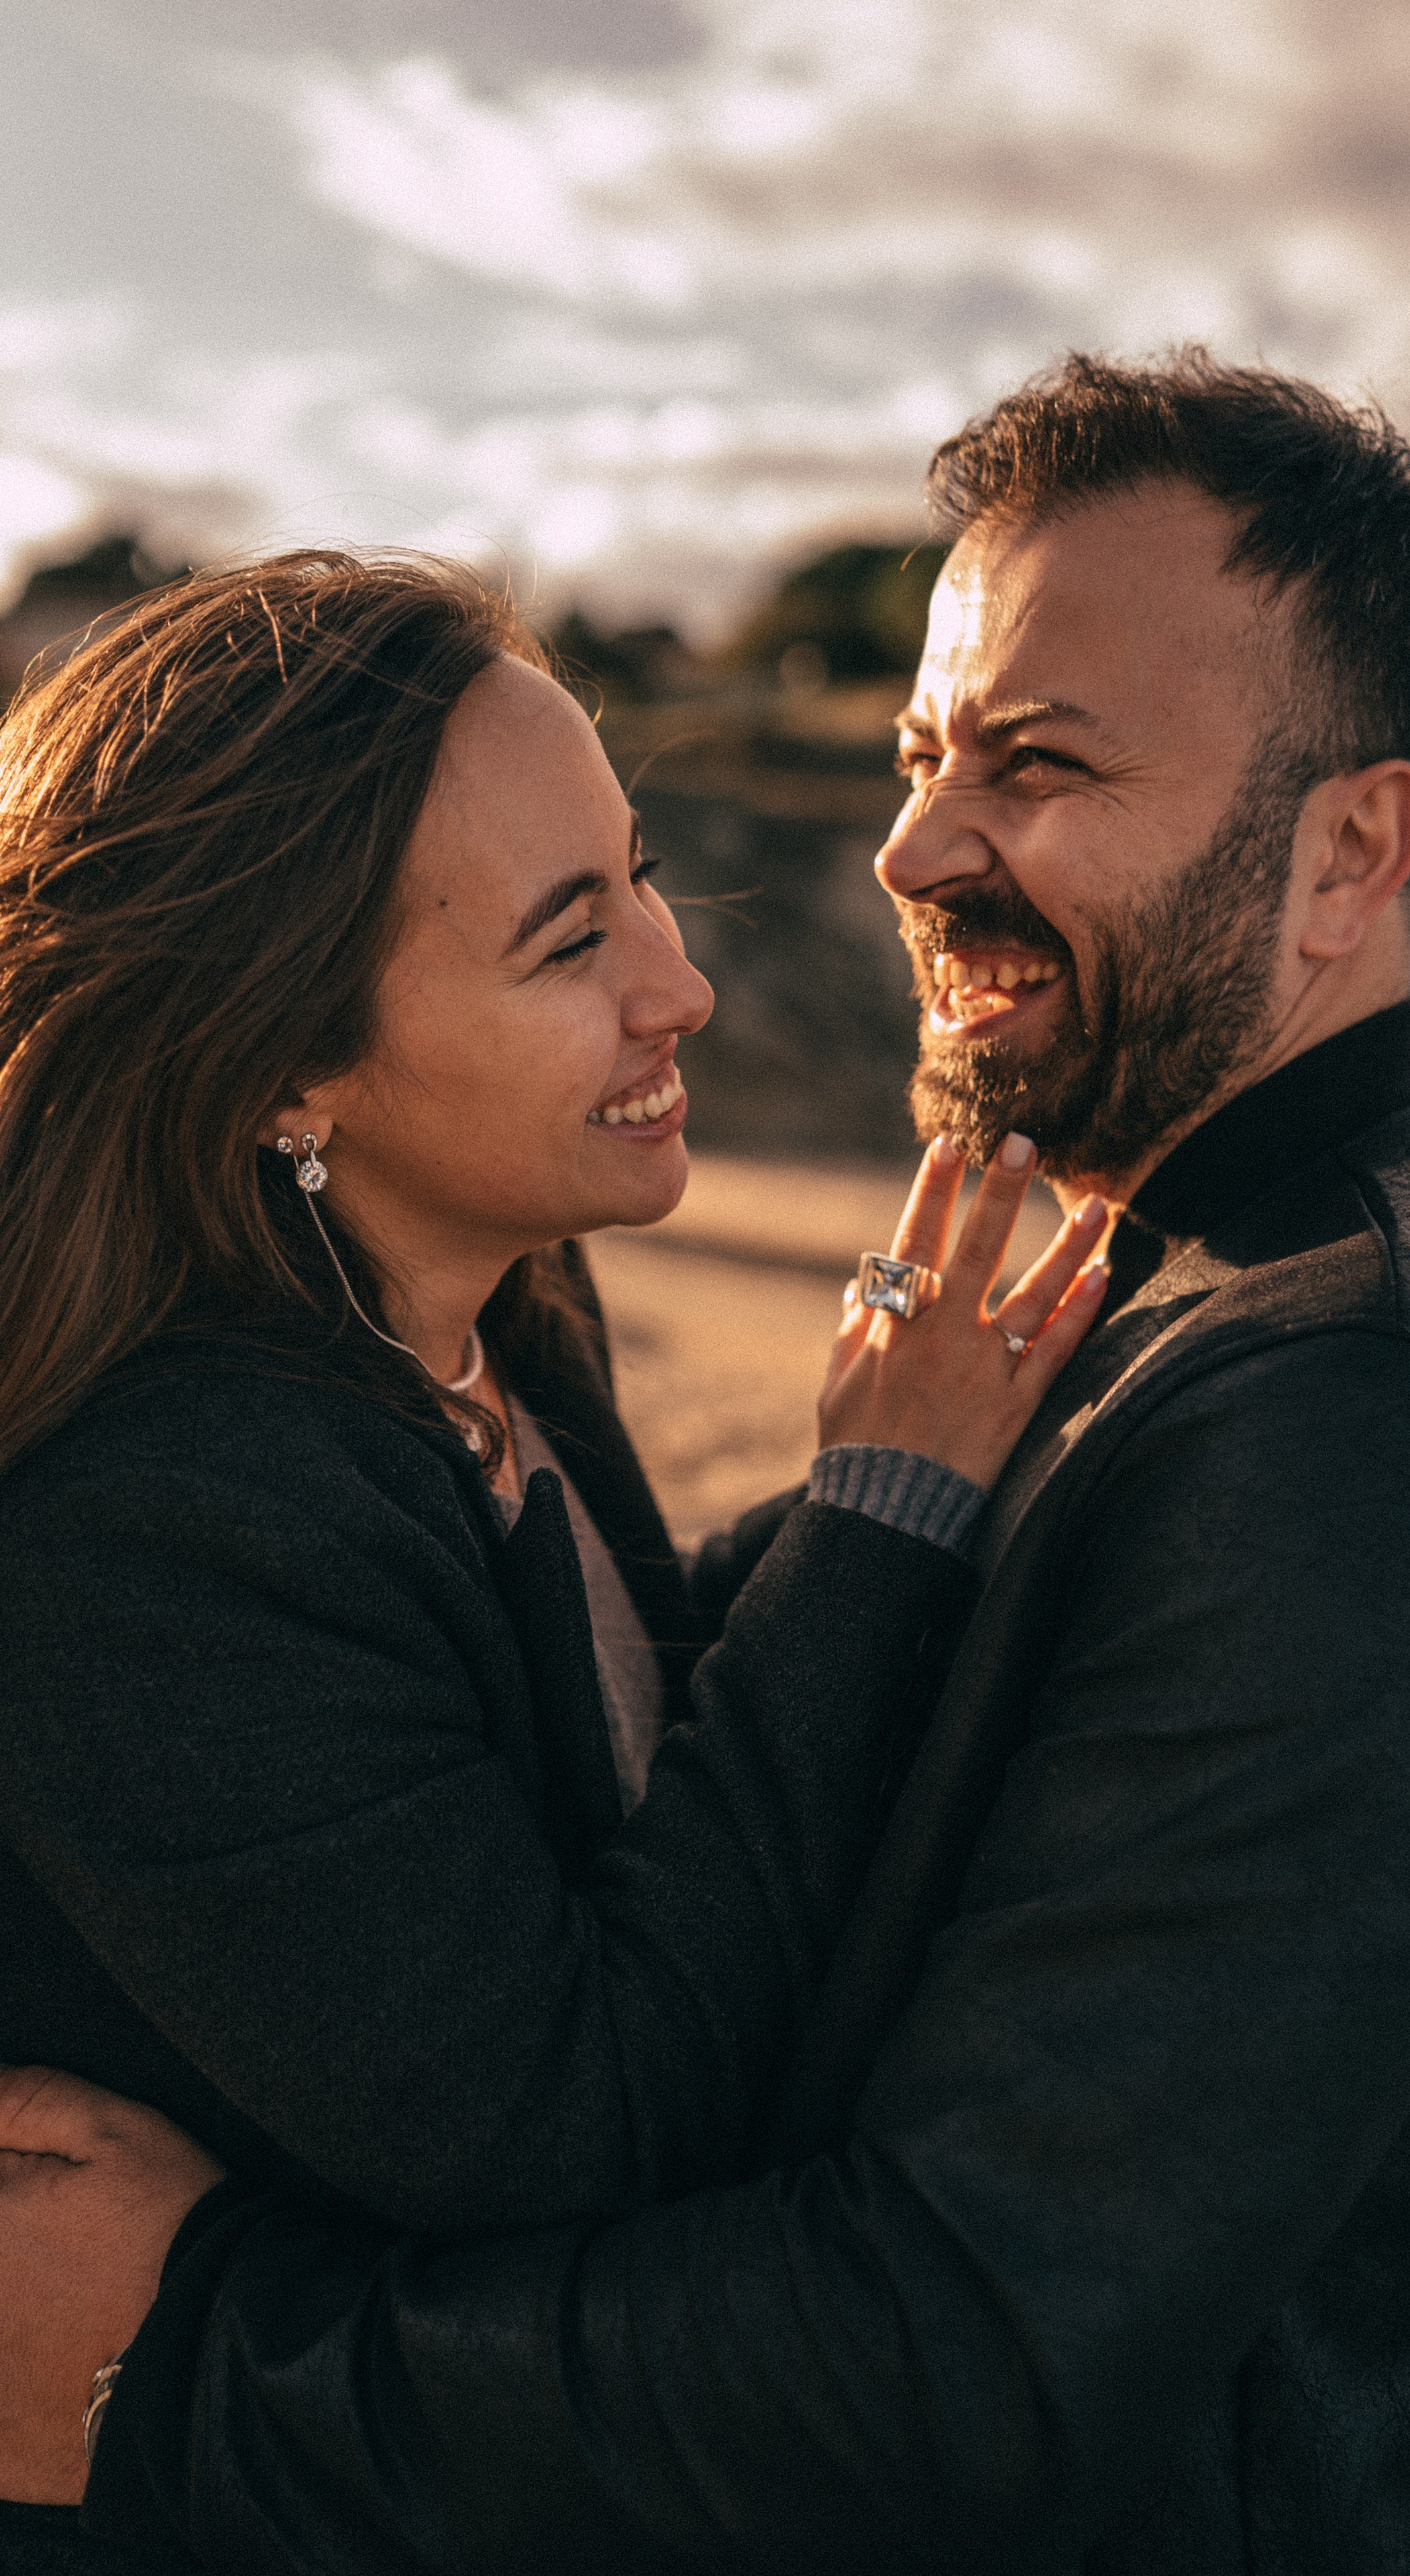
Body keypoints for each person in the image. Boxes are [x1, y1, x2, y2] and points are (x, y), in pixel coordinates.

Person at [0, 353, 1410, 2575]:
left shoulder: (1374, 1427)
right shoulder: (1154, 1307)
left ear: (1353, 850)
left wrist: (199, 2364)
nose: (910, 848)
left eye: (1040, 765)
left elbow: (952, 2357)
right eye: (921, 758)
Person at [0, 549, 1107, 2571]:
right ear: (278, 1070)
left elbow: (632, 1718)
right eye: (565, 938)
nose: (679, 981)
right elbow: (579, 2111)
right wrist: (879, 1522)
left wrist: (950, 1470)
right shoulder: (151, 1527)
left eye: (645, 874)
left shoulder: (494, 1318)